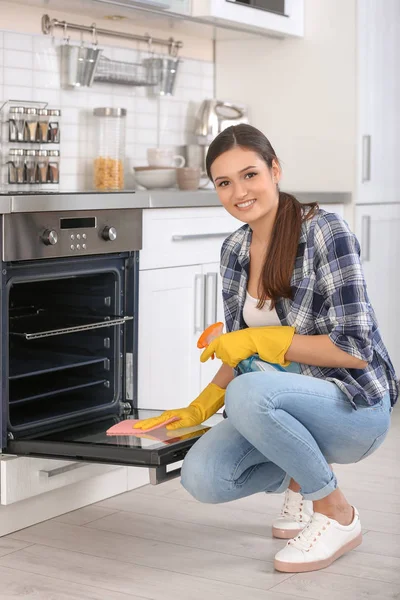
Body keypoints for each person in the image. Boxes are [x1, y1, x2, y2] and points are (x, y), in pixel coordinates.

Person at [134, 124, 397, 573]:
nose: (239, 191)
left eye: (250, 174)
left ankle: (336, 512)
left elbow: (354, 349)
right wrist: (197, 408)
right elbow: (239, 358)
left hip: (354, 407)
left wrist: (261, 339)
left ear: (275, 170)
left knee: (250, 393)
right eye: (224, 182)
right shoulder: (234, 249)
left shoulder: (324, 232)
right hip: (279, 402)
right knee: (203, 476)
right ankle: (299, 476)